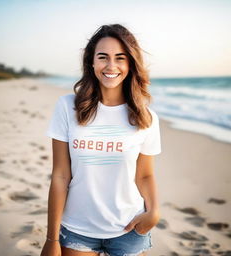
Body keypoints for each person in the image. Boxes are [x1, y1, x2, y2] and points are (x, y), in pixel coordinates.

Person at [40, 24, 162, 256]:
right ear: (92, 62)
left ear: (131, 64)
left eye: (120, 58)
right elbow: (60, 175)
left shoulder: (146, 118)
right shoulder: (68, 107)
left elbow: (145, 174)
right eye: (103, 57)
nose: (111, 66)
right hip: (77, 229)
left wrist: (154, 211)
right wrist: (51, 238)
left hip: (130, 228)